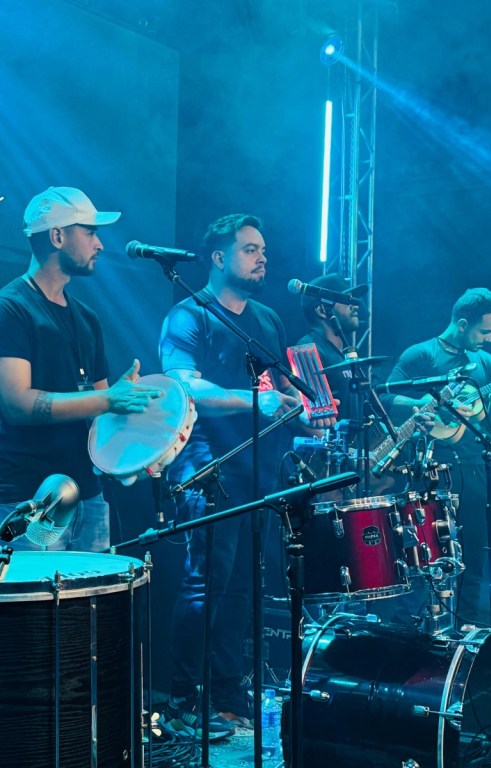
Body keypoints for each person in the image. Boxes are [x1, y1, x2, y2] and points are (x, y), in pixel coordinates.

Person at [158, 213, 316, 738]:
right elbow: (184, 387)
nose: (262, 258)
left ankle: (226, 692)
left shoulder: (267, 319)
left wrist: (299, 407)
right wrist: (256, 401)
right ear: (219, 257)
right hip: (207, 464)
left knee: (244, 585)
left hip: (259, 467)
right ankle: (182, 698)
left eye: (263, 250)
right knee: (206, 580)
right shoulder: (189, 315)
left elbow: (278, 387)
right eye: (250, 249)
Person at [0, 186, 162, 552]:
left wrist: (132, 443)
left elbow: (99, 412)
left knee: (91, 590)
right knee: (29, 590)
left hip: (87, 495)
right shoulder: (6, 309)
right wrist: (108, 399)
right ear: (57, 236)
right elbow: (17, 404)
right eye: (90, 232)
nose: (99, 244)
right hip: (24, 497)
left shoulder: (87, 318)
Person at [382, 287, 491, 622]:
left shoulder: (486, 362)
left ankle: (464, 629)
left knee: (473, 555)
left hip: (474, 467)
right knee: (422, 552)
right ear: (463, 324)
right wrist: (422, 404)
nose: (489, 339)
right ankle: (411, 627)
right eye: (484, 332)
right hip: (429, 469)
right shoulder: (421, 355)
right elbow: (386, 398)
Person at [293, 273, 371, 477]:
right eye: (346, 301)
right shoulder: (307, 351)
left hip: (349, 465)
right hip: (327, 470)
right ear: (322, 310)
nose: (355, 305)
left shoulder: (346, 355)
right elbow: (309, 421)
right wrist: (347, 454)